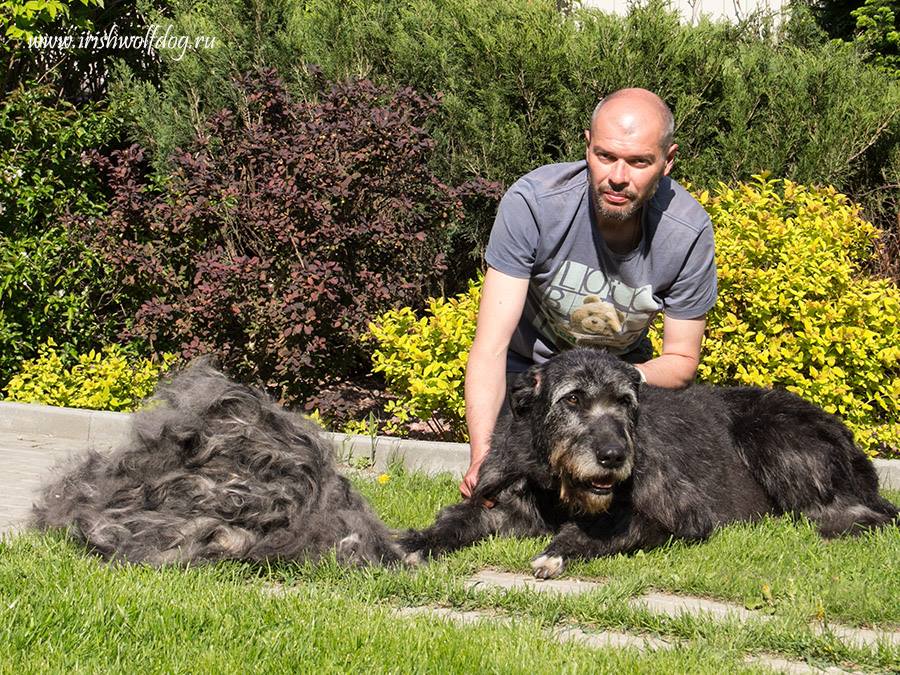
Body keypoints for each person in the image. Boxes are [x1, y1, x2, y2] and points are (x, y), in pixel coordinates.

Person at [460, 88, 717, 498]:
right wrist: (482, 457)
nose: (617, 176)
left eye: (638, 162)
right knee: (515, 491)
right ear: (586, 147)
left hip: (624, 385)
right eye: (605, 156)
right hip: (535, 377)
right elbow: (492, 346)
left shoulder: (687, 232)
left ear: (667, 162)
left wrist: (625, 380)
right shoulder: (534, 204)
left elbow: (682, 359)